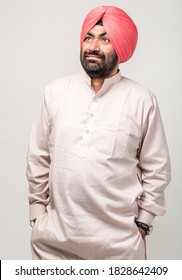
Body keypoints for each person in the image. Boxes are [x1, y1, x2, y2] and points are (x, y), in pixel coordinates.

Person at [26, 5, 171, 260]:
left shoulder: (142, 100)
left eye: (105, 39)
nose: (93, 46)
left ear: (121, 47)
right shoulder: (56, 92)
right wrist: (37, 214)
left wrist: (143, 225)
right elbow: (38, 157)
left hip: (119, 248)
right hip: (53, 245)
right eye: (89, 37)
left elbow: (157, 169)